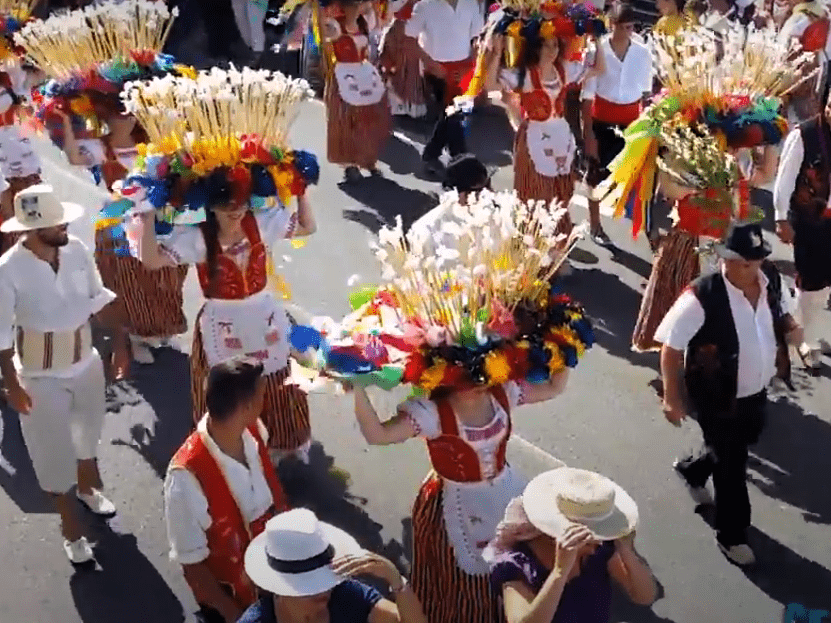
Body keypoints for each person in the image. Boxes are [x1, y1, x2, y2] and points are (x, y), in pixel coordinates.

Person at [19, 1, 192, 365]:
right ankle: (131, 333)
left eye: (128, 114)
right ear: (105, 116)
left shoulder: (157, 143)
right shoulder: (100, 148)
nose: (122, 121)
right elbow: (73, 157)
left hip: (159, 214)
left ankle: (160, 329)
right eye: (115, 115)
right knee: (125, 273)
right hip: (120, 215)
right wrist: (63, 122)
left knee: (167, 273)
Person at [655, 222, 803, 566]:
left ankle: (693, 470)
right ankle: (731, 535)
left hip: (756, 390)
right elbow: (671, 348)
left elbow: (780, 314)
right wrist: (671, 397)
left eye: (758, 261)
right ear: (726, 259)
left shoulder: (770, 281)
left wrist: (793, 329)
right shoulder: (701, 296)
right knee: (732, 468)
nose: (754, 270)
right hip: (716, 396)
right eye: (746, 263)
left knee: (742, 439)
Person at [0, 184, 130, 563]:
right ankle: (71, 530)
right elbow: (2, 335)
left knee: (87, 437)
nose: (64, 228)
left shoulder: (75, 250)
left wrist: (120, 345)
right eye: (55, 224)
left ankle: (88, 492)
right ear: (31, 229)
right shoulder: (8, 271)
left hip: (86, 362)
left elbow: (100, 297)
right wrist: (13, 385)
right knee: (52, 455)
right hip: (40, 376)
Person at [165, 356, 290, 623]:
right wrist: (237, 618)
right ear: (247, 407)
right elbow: (193, 566)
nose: (265, 401)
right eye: (262, 395)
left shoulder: (254, 430)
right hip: (235, 603)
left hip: (276, 578)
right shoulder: (186, 477)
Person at [486, 467, 658, 623]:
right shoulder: (517, 565)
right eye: (591, 536)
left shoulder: (597, 552)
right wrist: (559, 573)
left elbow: (644, 596)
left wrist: (626, 550)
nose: (598, 541)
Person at [239, 507, 428, 623]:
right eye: (308, 584)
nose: (324, 591)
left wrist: (396, 580)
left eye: (324, 580)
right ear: (279, 589)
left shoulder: (345, 595)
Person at [583, 3, 652, 247]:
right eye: (624, 27)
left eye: (632, 27)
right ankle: (595, 225)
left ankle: (645, 231)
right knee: (594, 174)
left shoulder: (643, 52)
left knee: (639, 178)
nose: (629, 31)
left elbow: (646, 94)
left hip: (631, 123)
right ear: (612, 25)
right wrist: (588, 133)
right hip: (602, 119)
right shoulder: (596, 50)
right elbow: (587, 96)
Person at [772, 93, 831, 370]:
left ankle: (807, 327)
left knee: (825, 283)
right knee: (812, 281)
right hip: (809, 221)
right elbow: (784, 179)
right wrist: (781, 218)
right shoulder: (804, 135)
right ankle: (806, 339)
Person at [406, 0, 484, 175]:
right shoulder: (424, 6)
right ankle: (459, 159)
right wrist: (429, 62)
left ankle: (432, 154)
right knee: (452, 114)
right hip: (436, 71)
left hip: (463, 69)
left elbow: (478, 38)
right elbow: (409, 39)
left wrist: (470, 64)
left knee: (451, 115)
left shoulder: (470, 4)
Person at [324, 0, 392, 182]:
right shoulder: (333, 24)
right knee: (346, 121)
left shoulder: (364, 21)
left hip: (363, 73)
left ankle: (367, 158)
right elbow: (324, 35)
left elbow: (380, 24)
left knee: (367, 118)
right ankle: (349, 164)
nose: (361, 5)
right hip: (344, 77)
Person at [378, 0, 428, 118]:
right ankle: (402, 105)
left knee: (412, 69)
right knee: (404, 69)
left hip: (416, 29)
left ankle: (412, 106)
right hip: (402, 27)